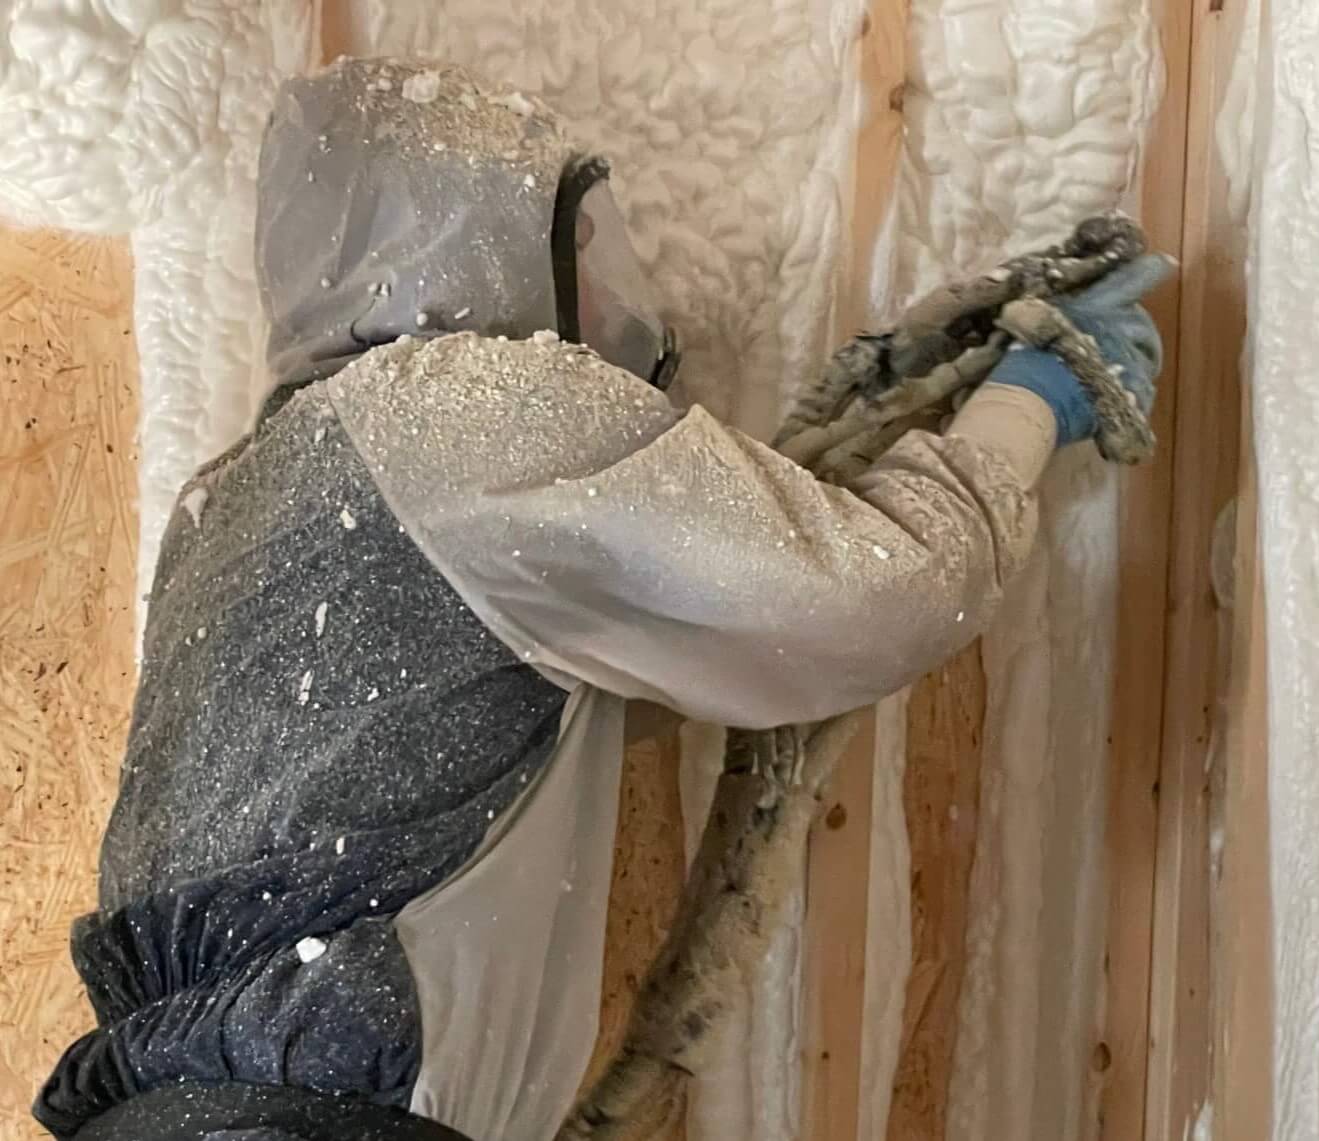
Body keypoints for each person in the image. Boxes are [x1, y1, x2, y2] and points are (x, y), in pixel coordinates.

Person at [35, 58, 1167, 1141]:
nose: (616, 295)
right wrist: (1023, 408)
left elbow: (524, 709)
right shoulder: (462, 410)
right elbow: (869, 596)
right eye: (578, 242)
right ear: (476, 235)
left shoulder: (240, 491)